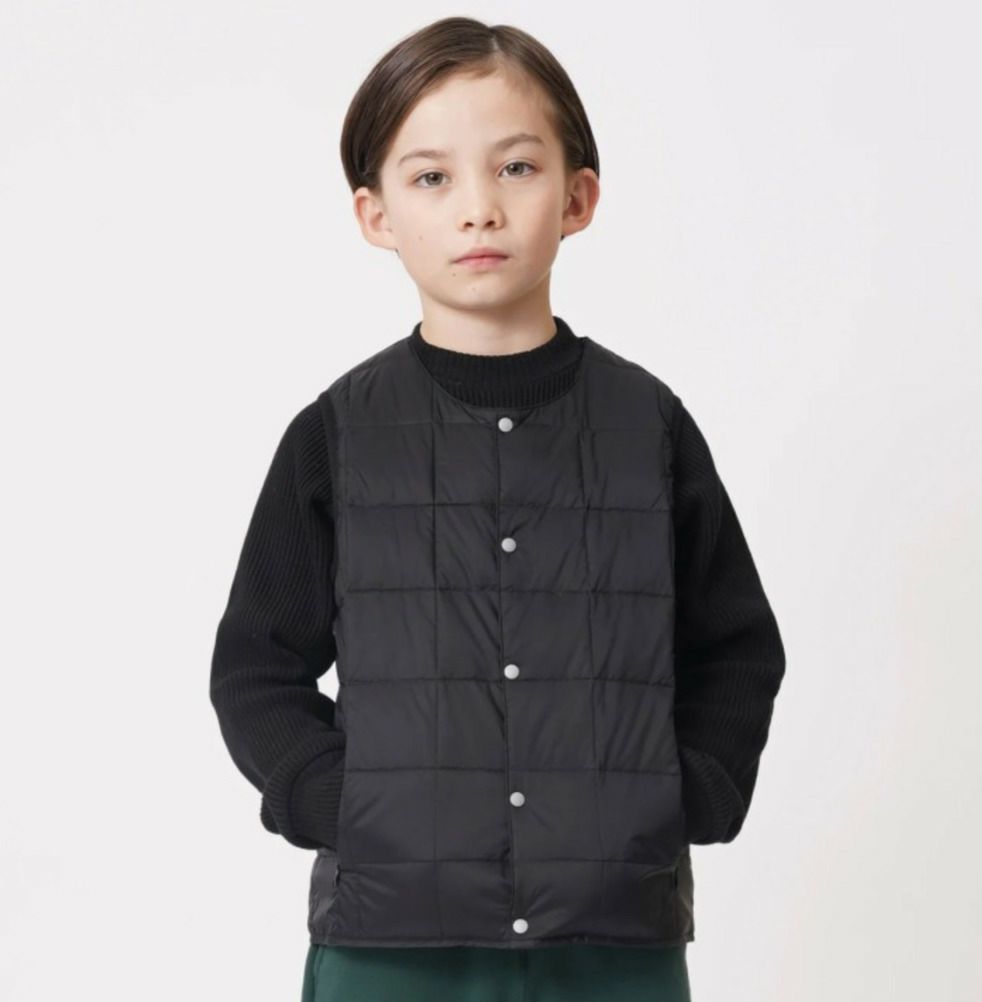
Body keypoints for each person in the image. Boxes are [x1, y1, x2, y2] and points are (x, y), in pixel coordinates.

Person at [209, 16, 786, 1002]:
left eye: (516, 168)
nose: (478, 209)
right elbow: (256, 667)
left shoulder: (648, 425)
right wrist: (344, 806)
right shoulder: (336, 436)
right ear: (376, 214)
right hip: (389, 941)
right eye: (432, 177)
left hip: (615, 937)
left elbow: (735, 645)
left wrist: (681, 796)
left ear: (578, 197)